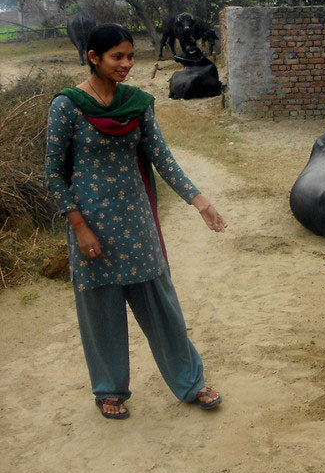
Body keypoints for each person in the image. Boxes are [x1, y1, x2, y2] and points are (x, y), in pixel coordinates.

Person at [45, 23, 227, 419]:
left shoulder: (138, 103)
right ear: (94, 57)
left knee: (162, 306)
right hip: (91, 227)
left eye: (131, 56)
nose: (127, 64)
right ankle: (110, 389)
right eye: (118, 57)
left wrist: (200, 201)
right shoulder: (68, 105)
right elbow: (54, 175)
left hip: (137, 221)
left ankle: (191, 383)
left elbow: (162, 158)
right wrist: (79, 226)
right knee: (101, 312)